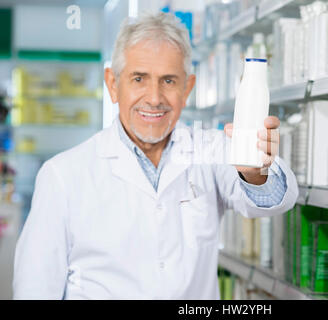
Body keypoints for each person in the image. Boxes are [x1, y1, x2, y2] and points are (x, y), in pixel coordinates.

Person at [13, 12, 298, 300]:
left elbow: (271, 201)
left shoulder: (211, 150)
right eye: (139, 78)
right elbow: (35, 287)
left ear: (187, 89)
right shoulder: (63, 174)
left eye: (169, 81)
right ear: (112, 84)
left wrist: (255, 172)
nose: (154, 97)